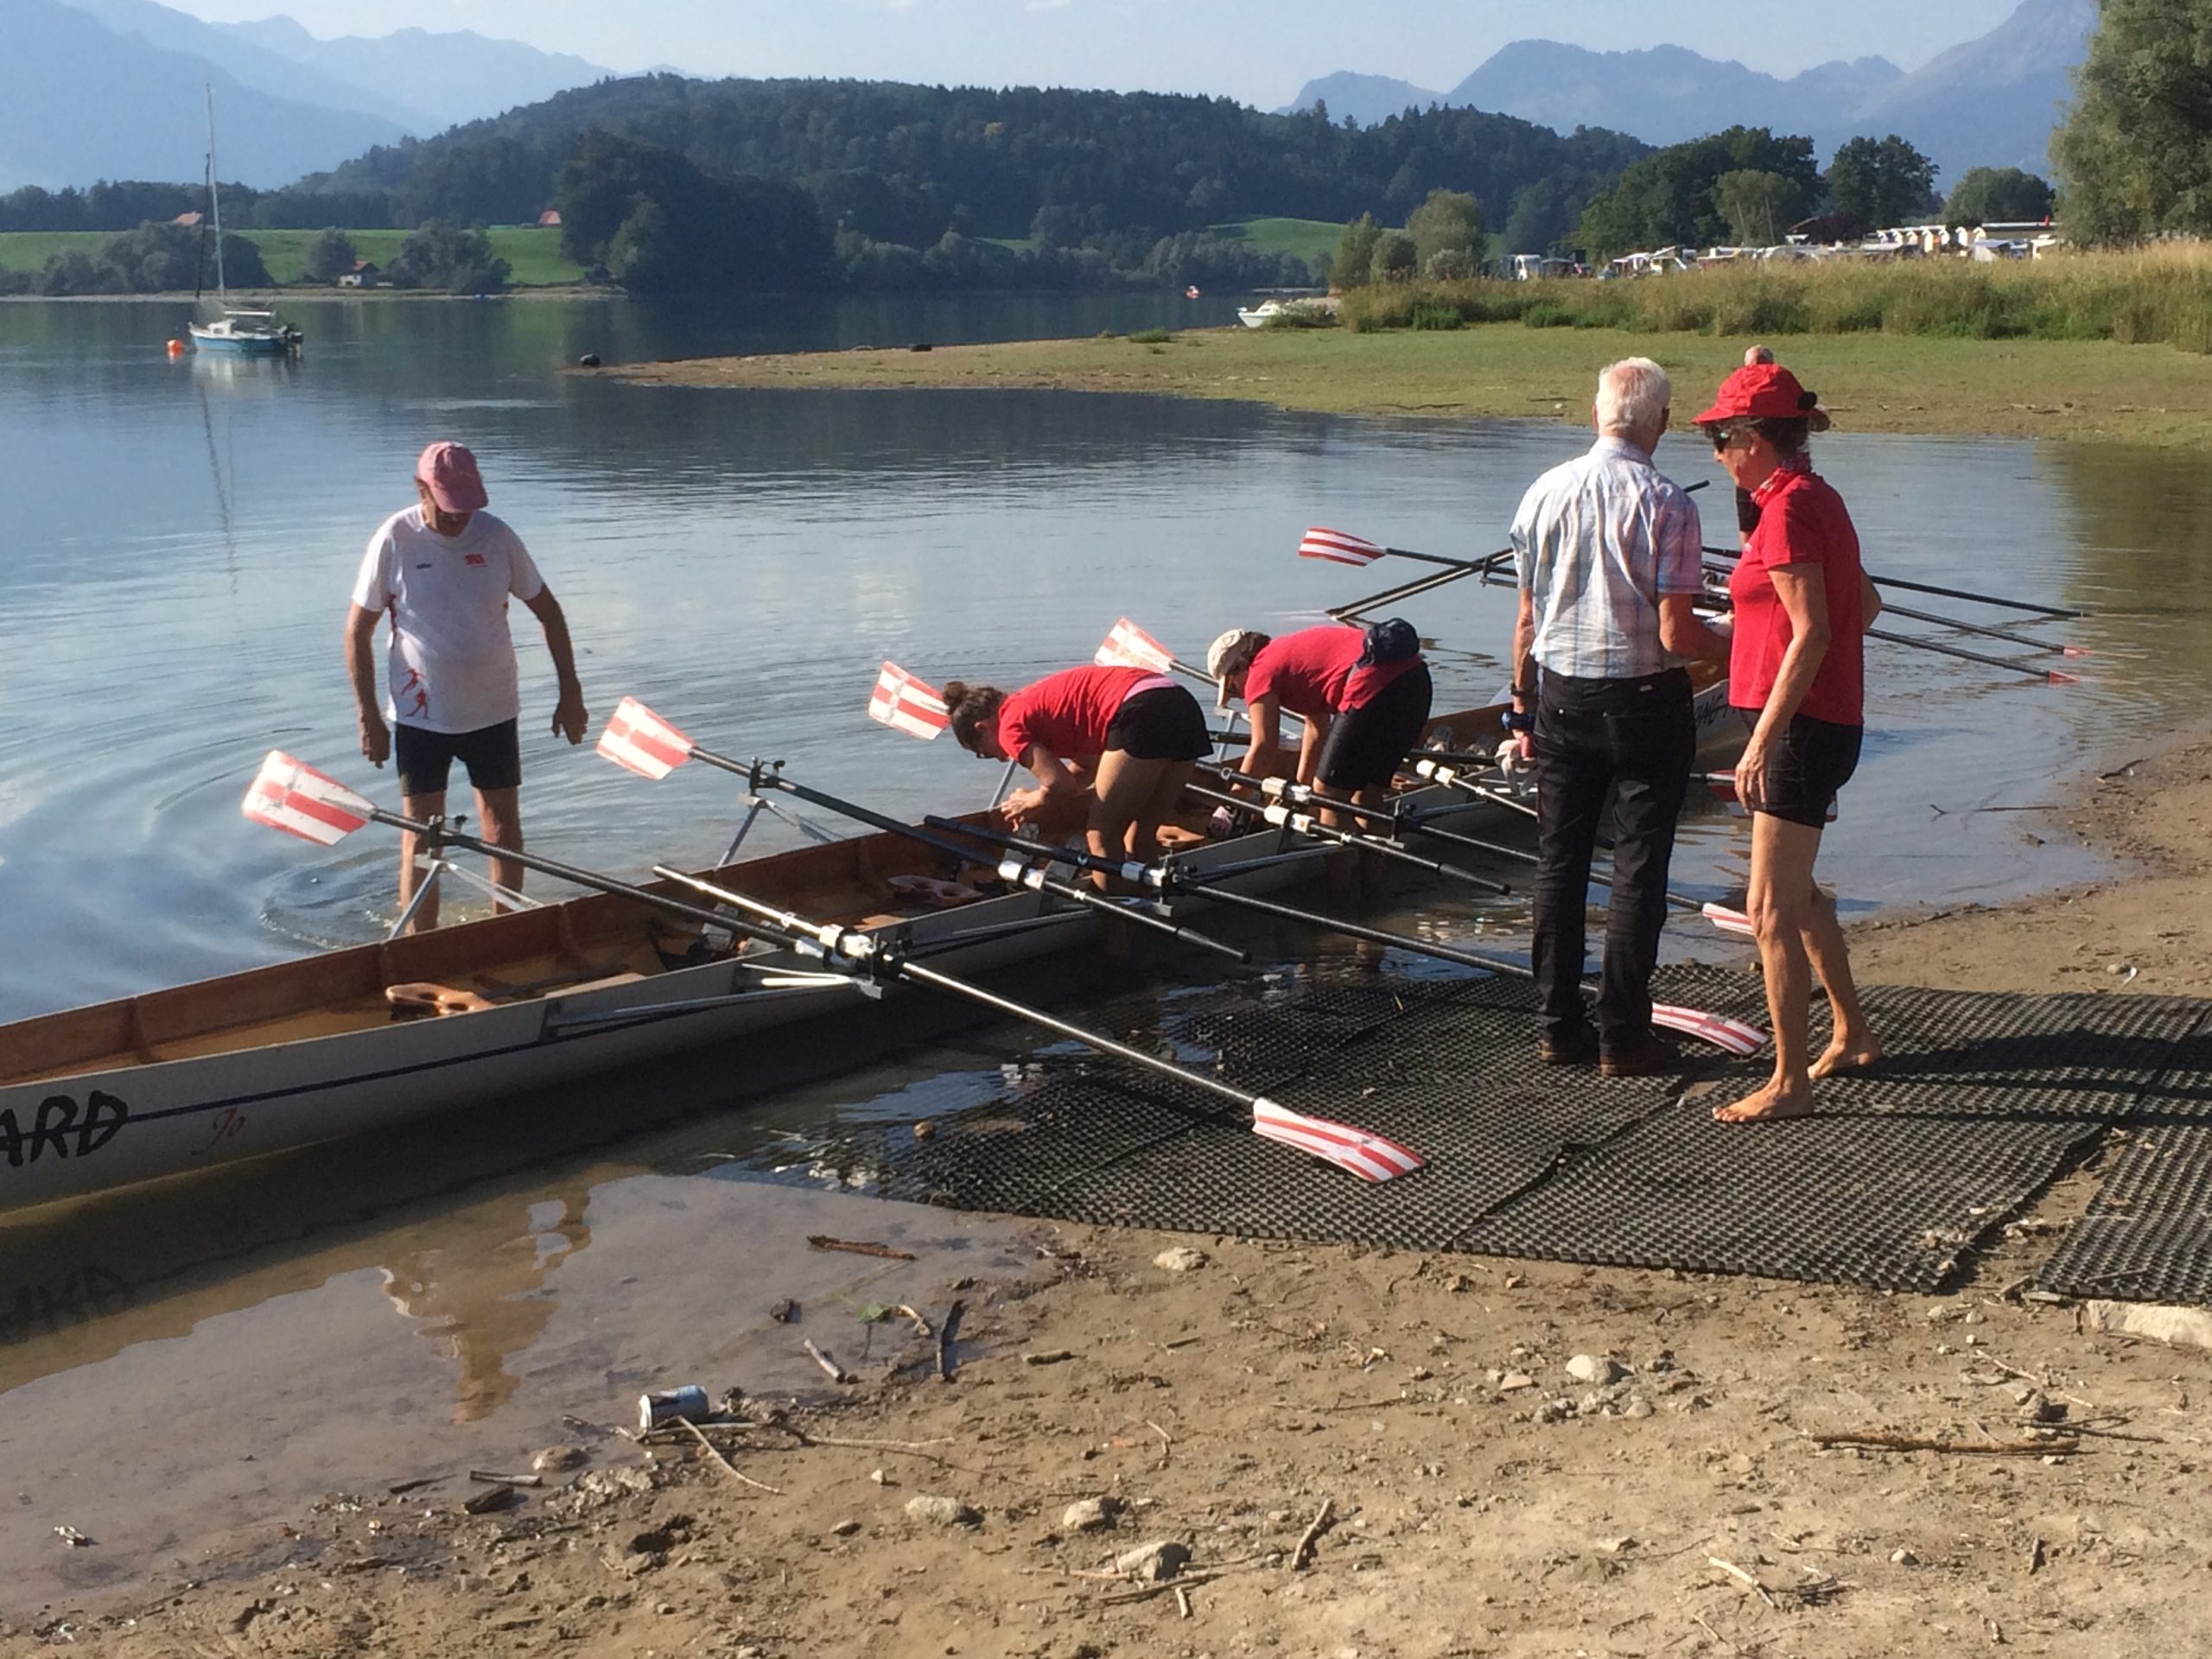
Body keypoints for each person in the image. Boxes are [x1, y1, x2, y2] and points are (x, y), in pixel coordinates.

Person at [1509, 358, 1731, 1076]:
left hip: (1561, 696)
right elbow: (1677, 634)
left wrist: (1521, 703)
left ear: (1596, 414)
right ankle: (1624, 1035)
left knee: (1559, 862)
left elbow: (1527, 618)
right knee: (1638, 868)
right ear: (1661, 421)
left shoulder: (1543, 491)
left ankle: (1556, 1026)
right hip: (1644, 701)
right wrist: (1741, 643)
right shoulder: (1669, 502)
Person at [1693, 360, 1884, 1123]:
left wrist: (1760, 740)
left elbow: (1815, 632)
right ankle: (1853, 1033)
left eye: (1720, 439)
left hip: (1800, 731)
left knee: (1768, 907)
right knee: (1799, 897)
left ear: (1753, 440)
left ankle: (1789, 1083)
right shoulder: (1809, 498)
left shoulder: (1790, 511)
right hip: (1817, 720)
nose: (1715, 453)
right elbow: (1866, 604)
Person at [344, 442, 586, 932]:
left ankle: (503, 933)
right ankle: (419, 942)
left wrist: (571, 693)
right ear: (421, 490)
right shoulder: (395, 538)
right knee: (422, 834)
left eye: (466, 505)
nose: (459, 518)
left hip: (494, 709)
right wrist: (368, 716)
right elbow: (357, 631)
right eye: (448, 506)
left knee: (502, 827)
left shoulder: (497, 537)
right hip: (420, 716)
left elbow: (549, 612)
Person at [942, 664, 1211, 888]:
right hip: (1179, 703)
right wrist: (1040, 800)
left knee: (1101, 835)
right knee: (1140, 834)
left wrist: (1032, 800)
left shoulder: (1009, 726)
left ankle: (1115, 927)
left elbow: (1060, 785)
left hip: (1141, 710)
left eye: (985, 753)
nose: (1001, 759)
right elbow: (1087, 769)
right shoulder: (1031, 705)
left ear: (983, 729)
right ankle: (1147, 906)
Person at [1205, 620, 1433, 825]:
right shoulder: (1287, 655)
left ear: (1241, 665)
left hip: (1372, 687)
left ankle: (1342, 858)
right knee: (1364, 793)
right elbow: (1316, 730)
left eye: (1232, 689)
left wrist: (1231, 805)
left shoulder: (1260, 671)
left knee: (1328, 793)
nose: (1241, 697)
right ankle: (1374, 856)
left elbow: (1264, 747)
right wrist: (1300, 793)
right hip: (1416, 679)